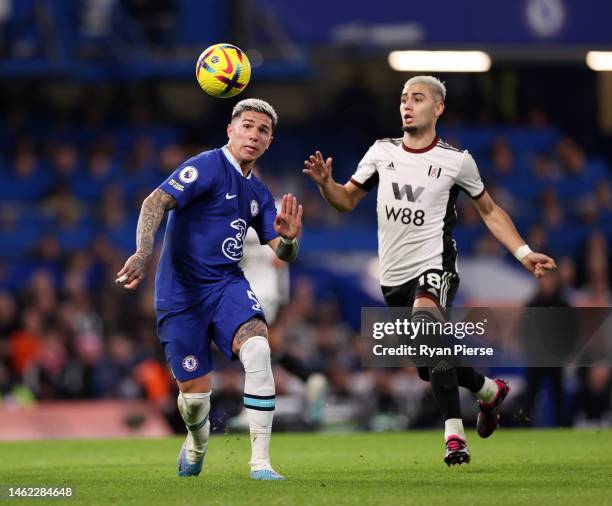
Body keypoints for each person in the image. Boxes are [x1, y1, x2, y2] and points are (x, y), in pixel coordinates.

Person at [303, 76, 556, 466]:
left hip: (435, 266)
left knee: (427, 324)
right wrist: (325, 185)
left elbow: (489, 210)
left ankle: (454, 436)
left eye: (417, 98)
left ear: (438, 108)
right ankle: (487, 390)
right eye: (403, 98)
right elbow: (346, 201)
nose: (407, 105)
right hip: (392, 277)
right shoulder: (381, 152)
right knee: (429, 365)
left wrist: (523, 252)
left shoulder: (456, 160)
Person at [116, 99, 303, 480]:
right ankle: (197, 443)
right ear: (230, 129)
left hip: (225, 286)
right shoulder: (206, 166)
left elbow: (282, 250)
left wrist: (290, 240)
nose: (254, 134)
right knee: (196, 399)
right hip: (180, 294)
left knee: (258, 348)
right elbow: (156, 201)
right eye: (247, 125)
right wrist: (142, 251)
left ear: (270, 141)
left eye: (263, 130)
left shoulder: (259, 193)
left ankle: (261, 463)